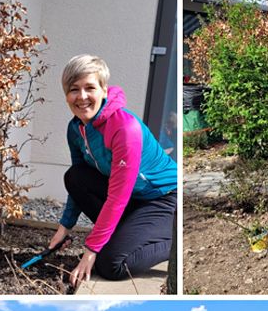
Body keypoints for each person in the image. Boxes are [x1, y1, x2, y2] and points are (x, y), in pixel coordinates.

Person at [48, 54, 177, 286]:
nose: (82, 97)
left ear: (104, 90)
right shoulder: (76, 128)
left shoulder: (125, 129)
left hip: (163, 198)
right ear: (66, 94)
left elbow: (117, 196)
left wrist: (91, 250)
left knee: (111, 264)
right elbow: (80, 182)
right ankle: (126, 234)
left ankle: (176, 238)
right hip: (133, 199)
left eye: (90, 87)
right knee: (75, 177)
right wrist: (64, 228)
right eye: (74, 89)